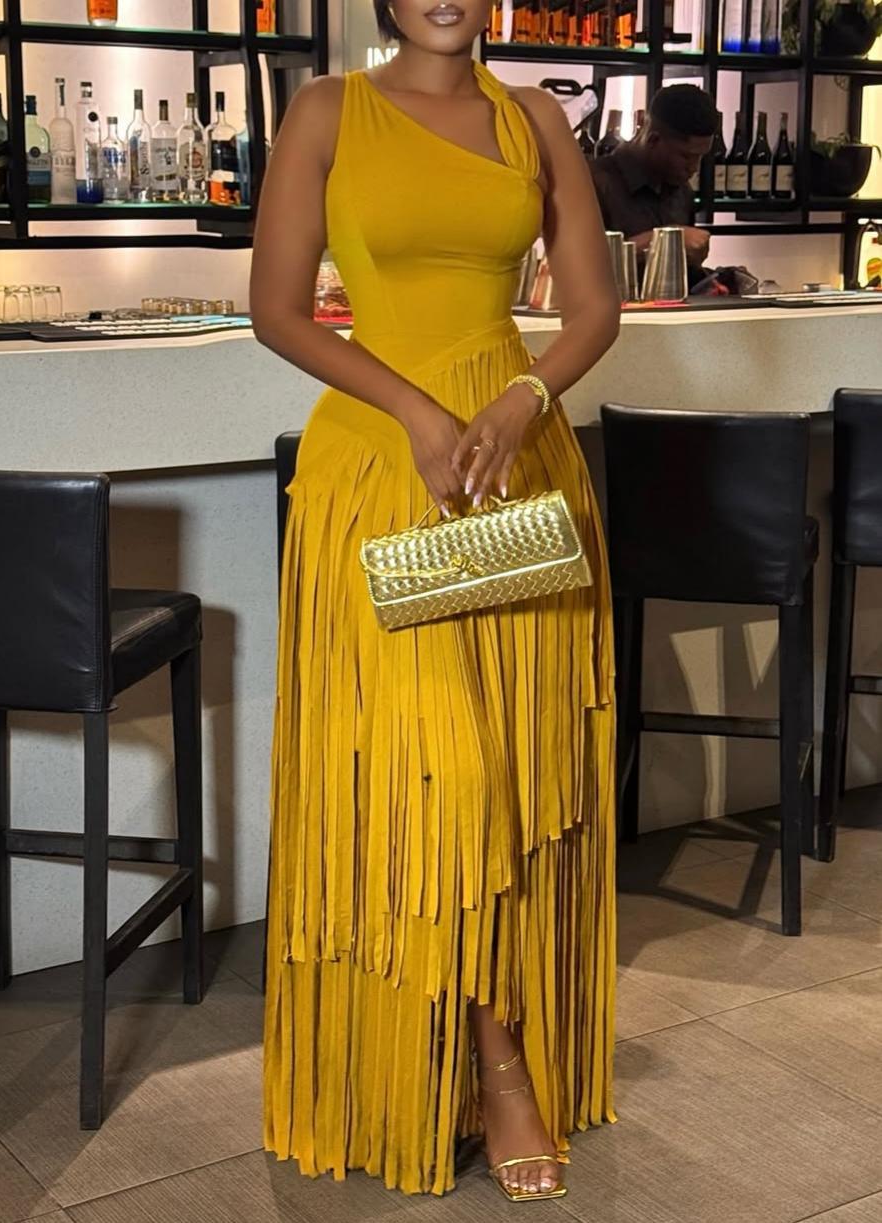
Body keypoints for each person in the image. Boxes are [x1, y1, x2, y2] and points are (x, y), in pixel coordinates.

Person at [251, 0, 620, 1202]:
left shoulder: (534, 119)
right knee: (425, 770)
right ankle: (464, 1057)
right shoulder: (325, 110)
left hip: (512, 468)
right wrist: (415, 410)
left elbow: (592, 308)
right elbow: (276, 309)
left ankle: (493, 1054)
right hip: (378, 467)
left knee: (507, 768)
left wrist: (522, 400)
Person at [590, 83, 719, 280]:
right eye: (686, 156)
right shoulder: (593, 182)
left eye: (700, 157)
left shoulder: (681, 191)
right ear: (653, 140)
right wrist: (663, 240)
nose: (693, 168)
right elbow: (574, 263)